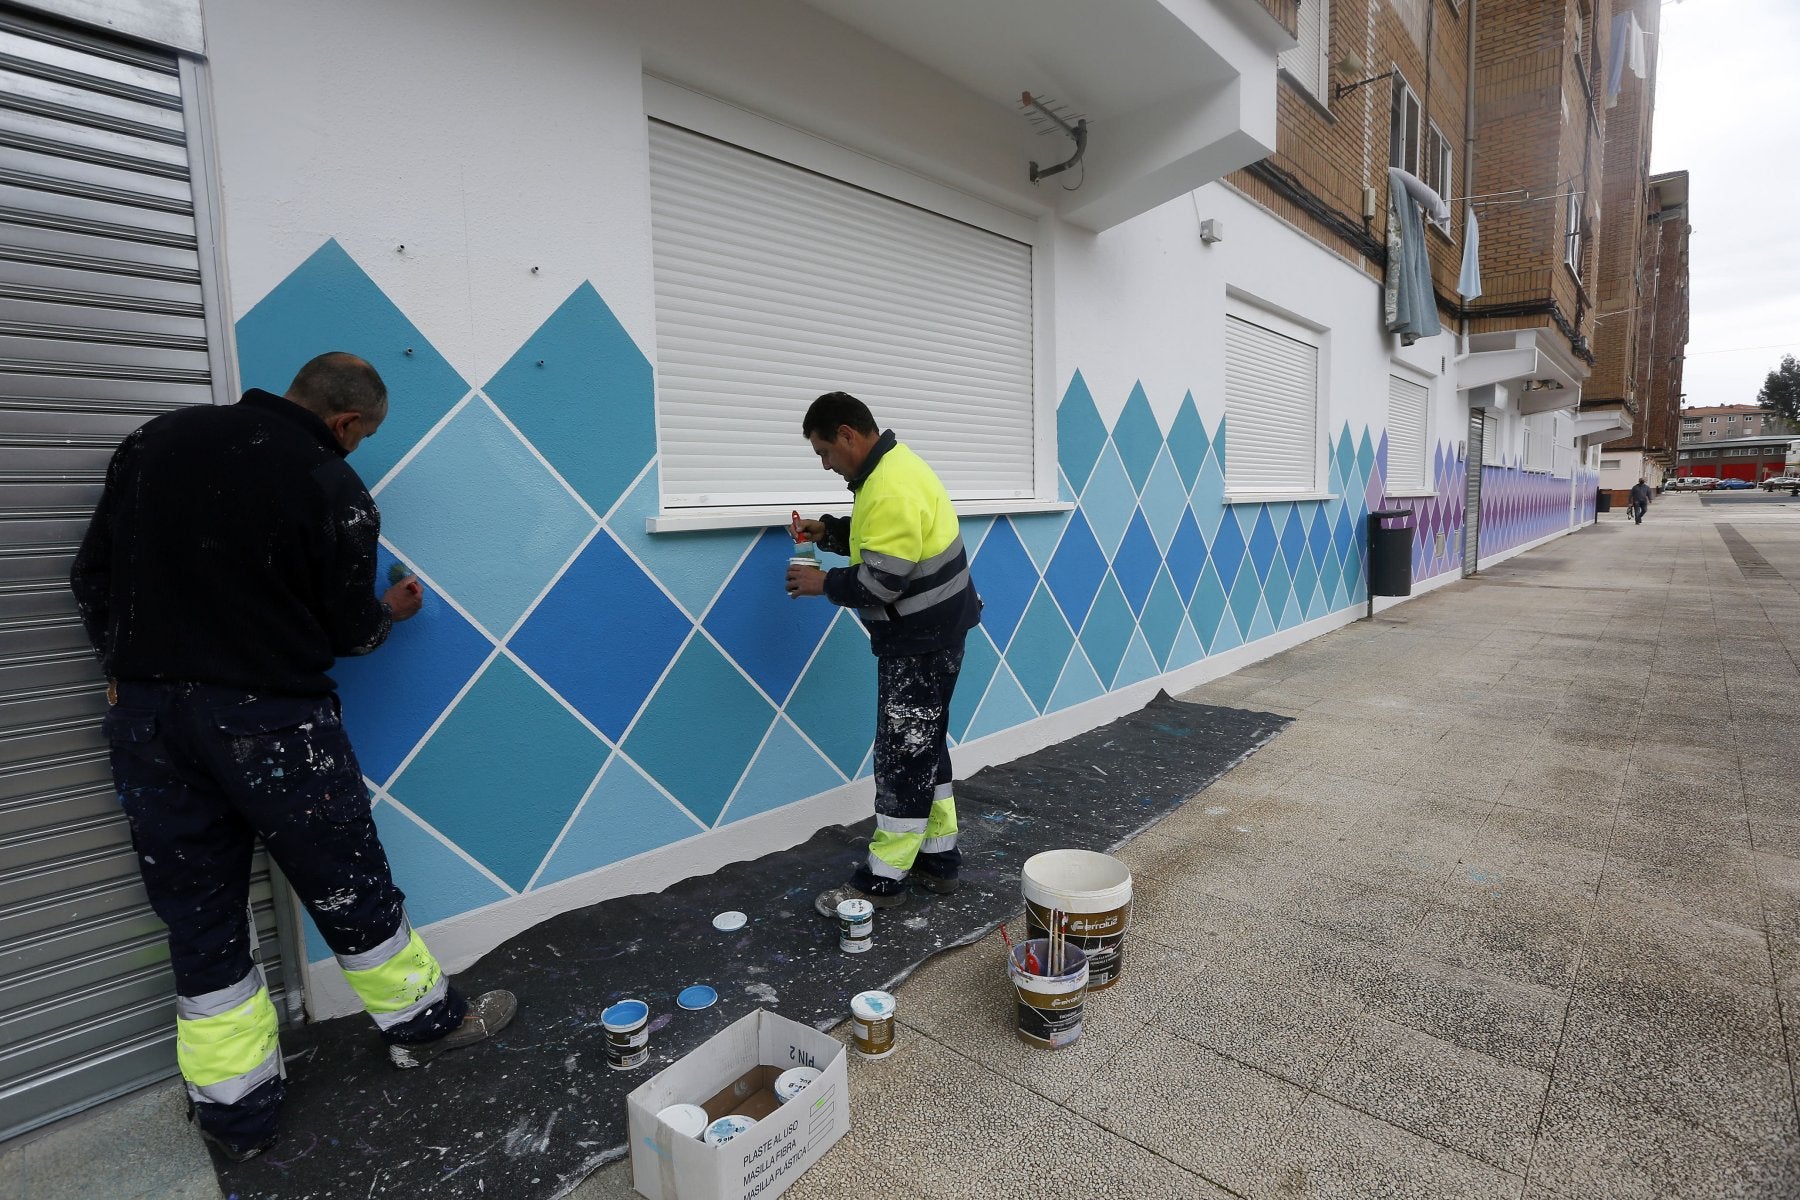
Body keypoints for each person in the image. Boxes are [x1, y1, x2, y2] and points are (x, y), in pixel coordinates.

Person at [70, 353, 515, 1162]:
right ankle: (424, 1023)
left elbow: (90, 575)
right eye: (362, 436)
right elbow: (347, 631)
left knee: (198, 911)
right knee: (348, 885)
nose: (356, 449)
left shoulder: (153, 442)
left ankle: (236, 1111)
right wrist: (390, 613)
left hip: (149, 723)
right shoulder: (330, 486)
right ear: (345, 424)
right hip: (270, 722)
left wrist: (123, 673)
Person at [786, 393, 982, 918]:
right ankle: (938, 859)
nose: (827, 464)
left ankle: (883, 877)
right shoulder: (892, 470)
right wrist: (828, 531)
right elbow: (884, 544)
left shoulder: (888, 486)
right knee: (924, 744)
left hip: (919, 643)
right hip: (937, 634)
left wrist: (820, 582)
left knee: (901, 757)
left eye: (825, 451)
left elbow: (879, 584)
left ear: (848, 434)